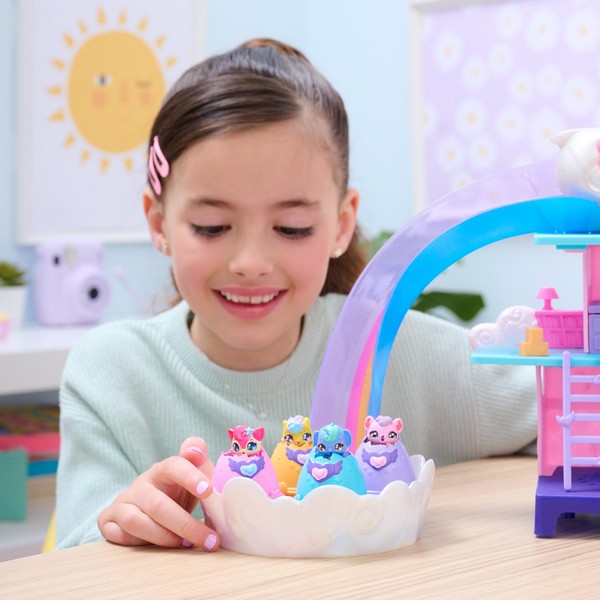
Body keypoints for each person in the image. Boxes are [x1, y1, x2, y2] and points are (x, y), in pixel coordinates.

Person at [55, 39, 537, 552]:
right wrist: (122, 527)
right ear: (159, 224)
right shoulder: (111, 373)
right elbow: (73, 561)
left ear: (341, 225)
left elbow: (570, 413)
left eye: (291, 228)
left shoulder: (399, 349)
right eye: (212, 226)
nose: (251, 262)